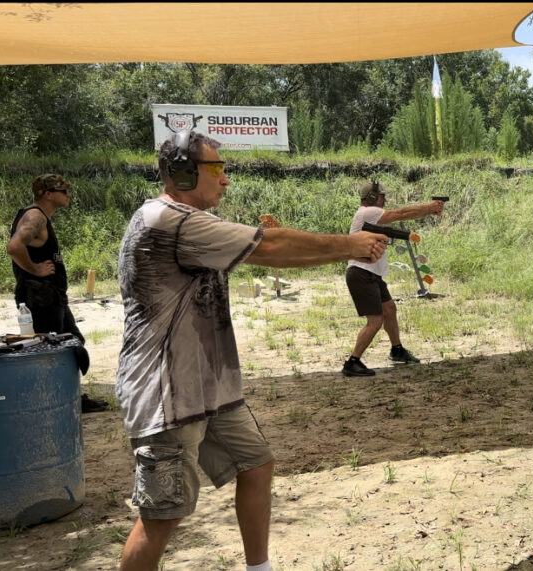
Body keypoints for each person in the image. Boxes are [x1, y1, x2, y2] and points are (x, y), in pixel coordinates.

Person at [114, 130, 386, 571]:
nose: (225, 180)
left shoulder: (180, 219)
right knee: (162, 515)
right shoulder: (169, 220)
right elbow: (272, 247)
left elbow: (269, 252)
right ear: (183, 172)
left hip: (207, 386)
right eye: (216, 168)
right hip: (168, 393)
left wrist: (328, 250)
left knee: (256, 464)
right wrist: (348, 245)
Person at [6, 174, 107, 413]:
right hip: (40, 297)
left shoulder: (39, 217)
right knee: (51, 350)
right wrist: (35, 269)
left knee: (71, 342)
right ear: (47, 194)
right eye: (63, 191)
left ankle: (69, 396)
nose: (68, 195)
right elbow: (13, 247)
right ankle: (52, 400)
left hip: (50, 296)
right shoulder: (35, 216)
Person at [341, 181, 444, 377]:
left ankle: (397, 350)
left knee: (389, 309)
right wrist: (429, 208)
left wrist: (428, 211)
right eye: (381, 196)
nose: (385, 199)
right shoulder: (367, 212)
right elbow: (401, 214)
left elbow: (399, 217)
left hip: (371, 274)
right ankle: (352, 362)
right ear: (371, 198)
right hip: (362, 273)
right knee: (375, 321)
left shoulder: (370, 215)